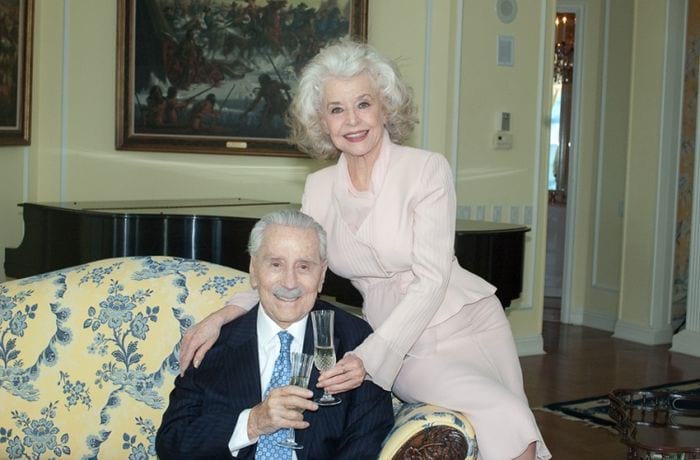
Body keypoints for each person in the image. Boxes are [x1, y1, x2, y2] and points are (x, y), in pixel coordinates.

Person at [179, 39, 551, 460]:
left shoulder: (426, 169)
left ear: (385, 107)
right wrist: (224, 314)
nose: (352, 121)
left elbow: (433, 279)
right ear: (321, 121)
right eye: (337, 109)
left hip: (463, 322)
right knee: (503, 414)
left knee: (512, 424)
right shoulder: (319, 187)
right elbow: (294, 271)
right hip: (399, 340)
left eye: (363, 104)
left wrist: (369, 357)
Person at [156, 210, 394, 459]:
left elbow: (364, 444)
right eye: (276, 265)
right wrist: (252, 423)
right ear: (254, 269)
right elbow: (171, 443)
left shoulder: (356, 341)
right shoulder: (213, 345)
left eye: (304, 267)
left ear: (322, 275)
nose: (290, 283)